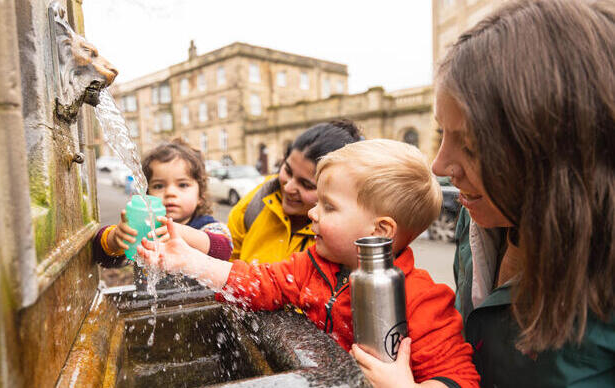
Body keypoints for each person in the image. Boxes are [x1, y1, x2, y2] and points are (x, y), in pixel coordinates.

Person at [353, 1, 615, 387]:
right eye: (442, 134)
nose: (439, 167)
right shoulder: (475, 217)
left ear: (555, 148)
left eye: (472, 146)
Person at [139, 140, 481, 388]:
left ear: (379, 230)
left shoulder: (422, 299)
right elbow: (258, 282)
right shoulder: (312, 266)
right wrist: (190, 260)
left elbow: (460, 378)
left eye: (329, 207)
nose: (313, 213)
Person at [228, 119, 361, 264]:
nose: (288, 187)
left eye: (306, 185)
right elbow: (225, 264)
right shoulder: (255, 203)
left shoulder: (343, 239)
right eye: (288, 171)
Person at [93, 139, 232, 267]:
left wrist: (181, 233)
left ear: (200, 195)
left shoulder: (208, 226)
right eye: (159, 186)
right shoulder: (146, 229)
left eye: (182, 185)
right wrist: (116, 239)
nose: (170, 192)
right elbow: (102, 258)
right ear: (147, 195)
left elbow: (224, 251)